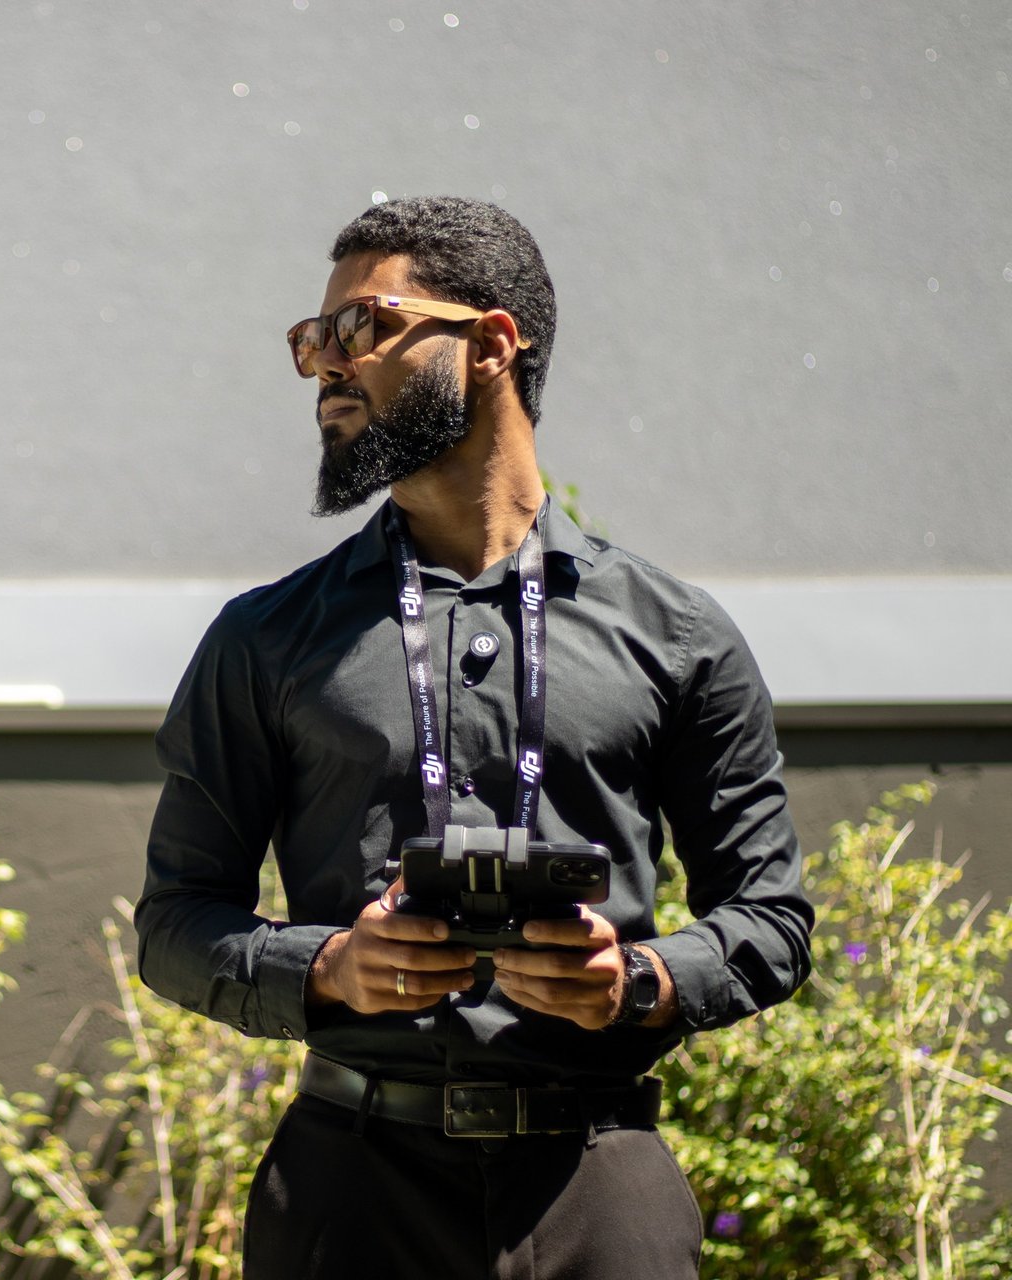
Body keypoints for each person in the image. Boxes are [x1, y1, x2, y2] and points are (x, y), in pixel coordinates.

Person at [134, 196, 814, 1279]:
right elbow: (173, 923)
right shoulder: (265, 639)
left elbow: (772, 920)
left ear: (493, 342)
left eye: (361, 328)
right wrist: (332, 966)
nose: (325, 369)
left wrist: (637, 979)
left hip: (603, 1187)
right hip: (346, 1198)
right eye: (312, 342)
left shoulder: (676, 635)